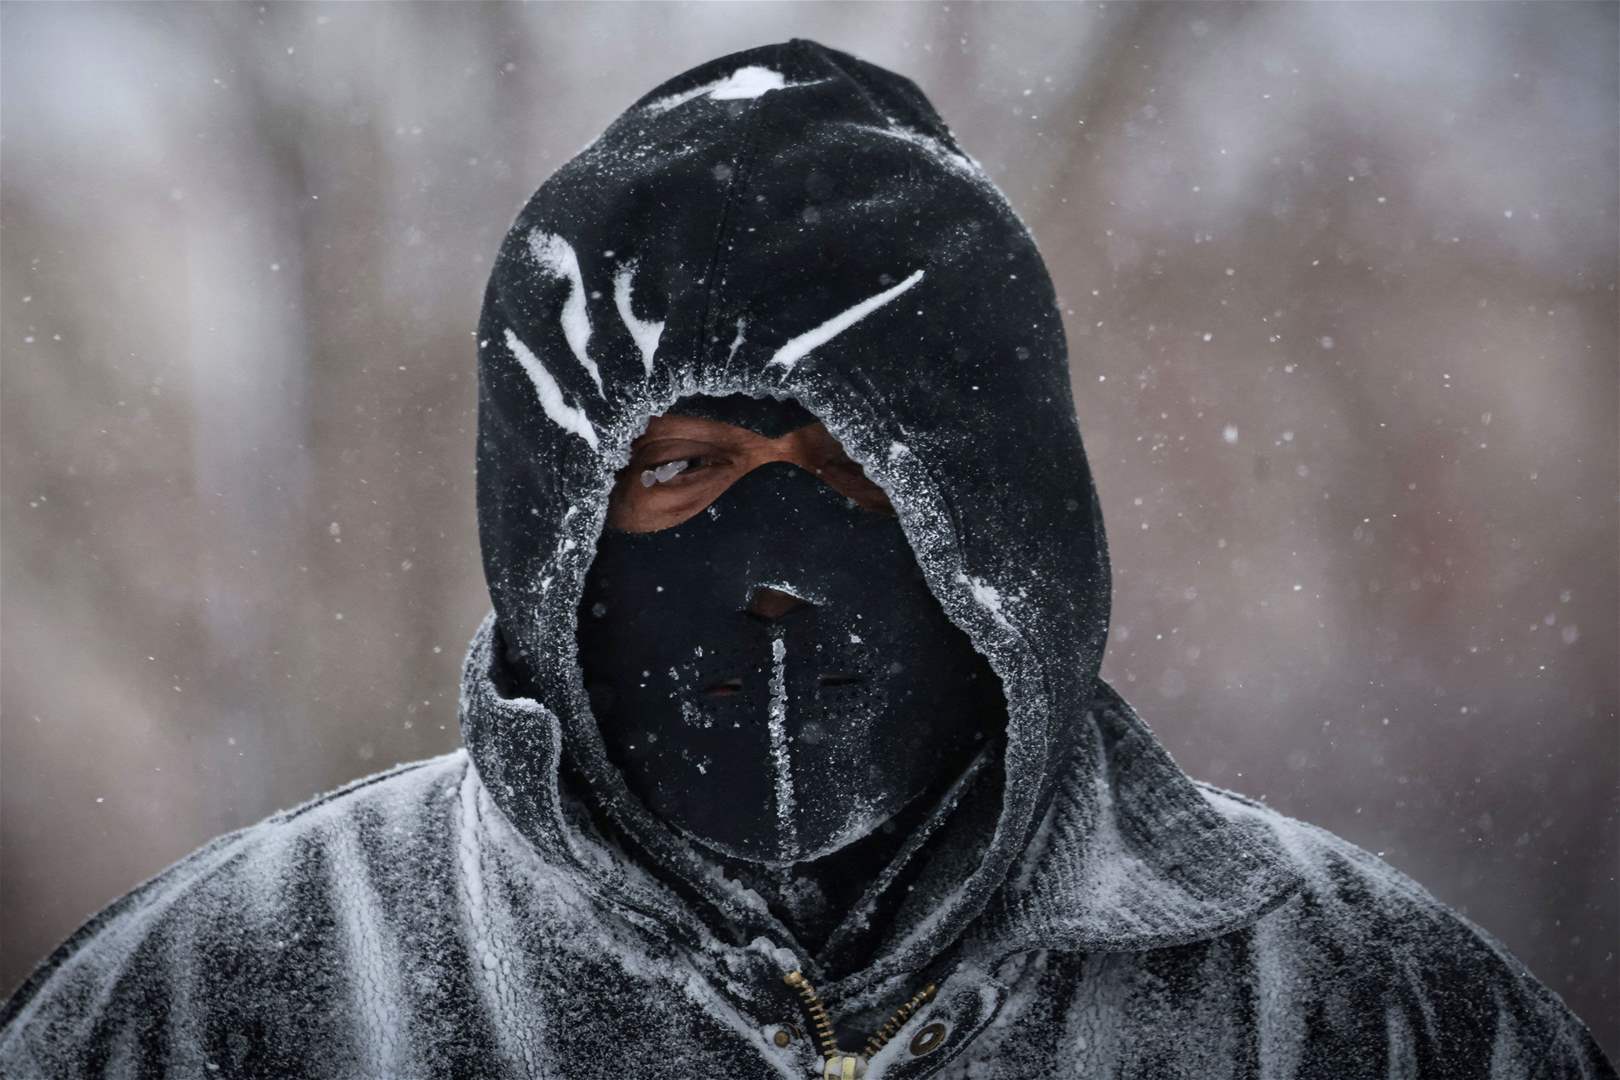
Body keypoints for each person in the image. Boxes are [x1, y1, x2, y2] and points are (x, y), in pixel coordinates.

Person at [1, 36, 1611, 1080]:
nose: (774, 566)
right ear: (551, 524)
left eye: (857, 466)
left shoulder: (1358, 1015)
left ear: (1005, 529)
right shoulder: (232, 1006)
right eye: (686, 470)